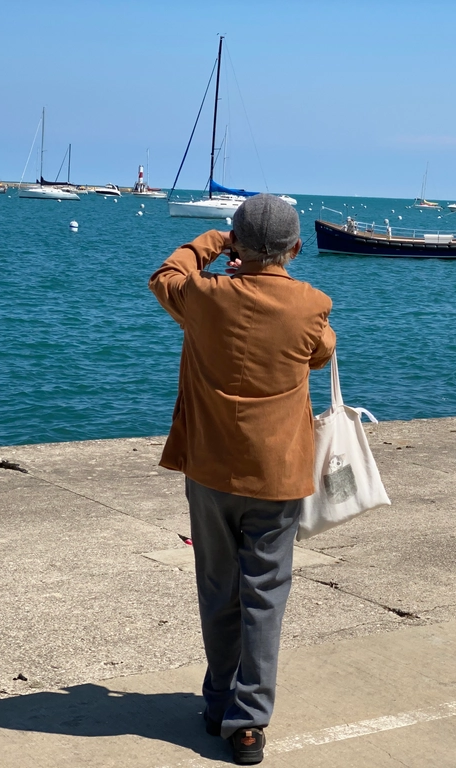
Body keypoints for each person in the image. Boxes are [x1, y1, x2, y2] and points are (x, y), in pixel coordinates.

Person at [149, 194, 336, 765]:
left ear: (236, 243)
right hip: (277, 475)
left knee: (217, 588)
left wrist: (213, 242)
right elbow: (322, 353)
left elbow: (166, 275)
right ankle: (248, 723)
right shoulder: (311, 305)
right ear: (296, 248)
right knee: (264, 597)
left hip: (209, 469)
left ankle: (216, 702)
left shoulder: (203, 298)